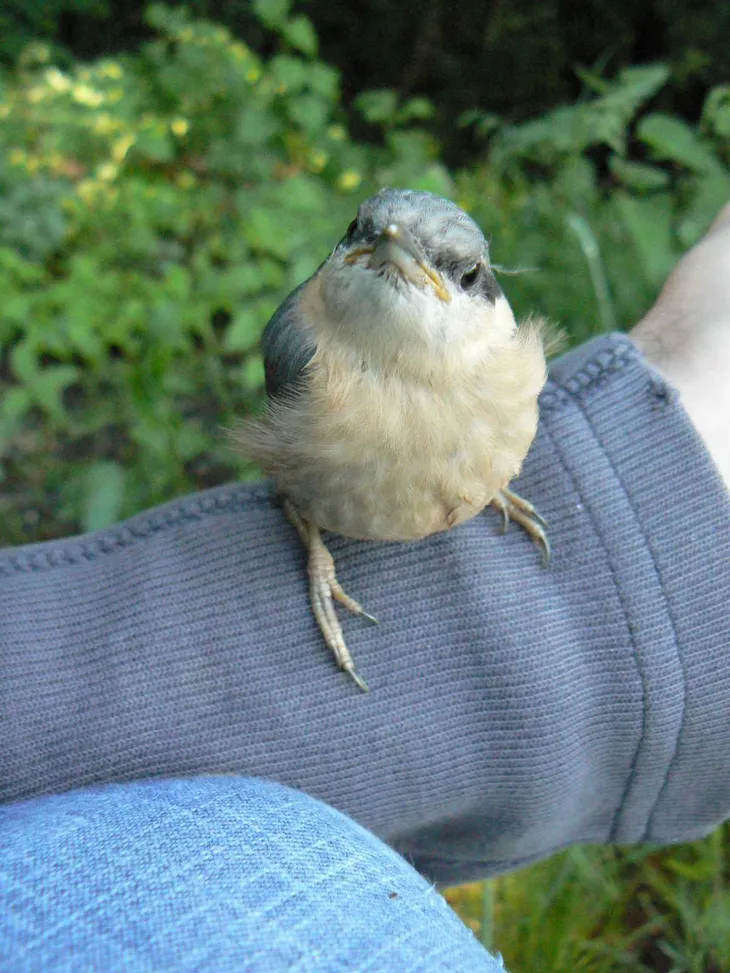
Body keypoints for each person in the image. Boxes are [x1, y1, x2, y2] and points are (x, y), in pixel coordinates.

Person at [1, 205, 729, 972]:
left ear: (488, 296)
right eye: (365, 237)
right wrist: (314, 546)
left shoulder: (511, 362)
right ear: (342, 251)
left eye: (457, 270)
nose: (398, 257)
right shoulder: (310, 355)